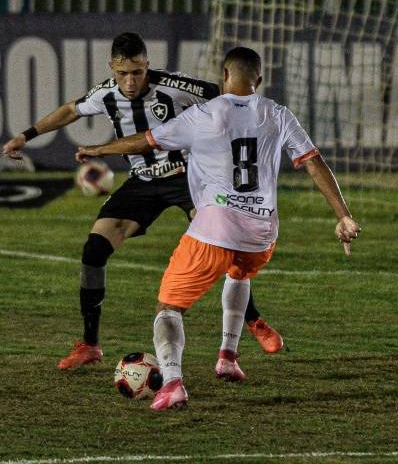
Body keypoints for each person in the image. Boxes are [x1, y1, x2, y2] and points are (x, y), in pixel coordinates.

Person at [76, 46, 361, 410]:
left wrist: (99, 150)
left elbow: (147, 141)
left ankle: (173, 382)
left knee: (168, 308)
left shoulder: (203, 114)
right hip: (262, 232)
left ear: (224, 76)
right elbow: (313, 162)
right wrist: (344, 215)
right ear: (257, 80)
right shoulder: (278, 113)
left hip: (215, 228)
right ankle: (228, 356)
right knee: (239, 276)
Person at [1, 33, 285, 369]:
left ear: (147, 66)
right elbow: (69, 110)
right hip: (143, 182)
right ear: (113, 68)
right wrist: (25, 136)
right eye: (123, 73)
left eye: (138, 72)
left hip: (187, 178)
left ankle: (254, 322)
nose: (131, 80)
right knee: (94, 250)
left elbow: (227, 97)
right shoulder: (106, 93)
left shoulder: (177, 86)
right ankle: (90, 344)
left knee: (224, 241)